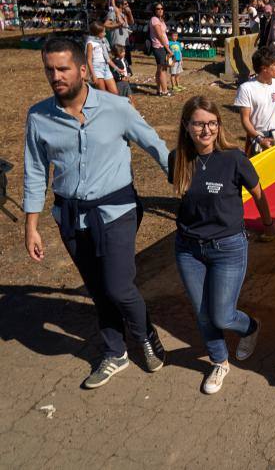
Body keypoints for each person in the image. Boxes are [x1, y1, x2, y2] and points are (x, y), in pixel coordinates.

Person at [24, 37, 168, 389]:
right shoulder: (39, 117)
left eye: (63, 68)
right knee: (97, 289)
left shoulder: (116, 107)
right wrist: (32, 226)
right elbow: (35, 171)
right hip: (71, 218)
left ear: (83, 69)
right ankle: (115, 352)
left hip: (117, 211)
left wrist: (187, 182)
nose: (56, 76)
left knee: (118, 286)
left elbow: (154, 144)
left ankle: (144, 333)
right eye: (49, 69)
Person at [170, 96, 275, 394]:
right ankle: (219, 361)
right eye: (199, 123)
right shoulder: (176, 159)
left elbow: (258, 193)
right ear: (186, 125)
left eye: (212, 123)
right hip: (188, 249)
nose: (206, 130)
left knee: (222, 314)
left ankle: (251, 327)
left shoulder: (233, 159)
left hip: (228, 248)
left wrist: (268, 224)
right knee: (203, 312)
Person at [235, 47, 275, 156]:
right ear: (264, 68)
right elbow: (245, 120)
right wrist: (259, 139)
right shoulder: (246, 89)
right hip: (259, 141)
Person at [86, 21, 121, 95]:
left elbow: (107, 59)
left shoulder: (103, 41)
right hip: (97, 68)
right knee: (102, 93)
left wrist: (116, 68)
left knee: (115, 92)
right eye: (103, 32)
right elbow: (89, 60)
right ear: (97, 33)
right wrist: (93, 75)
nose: (105, 33)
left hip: (106, 67)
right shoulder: (90, 43)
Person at [149, 3, 173, 97]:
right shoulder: (154, 20)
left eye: (161, 8)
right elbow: (159, 36)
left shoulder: (160, 20)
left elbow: (163, 34)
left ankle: (159, 90)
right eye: (158, 8)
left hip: (162, 46)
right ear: (154, 10)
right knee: (163, 70)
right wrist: (167, 49)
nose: (160, 10)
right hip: (159, 47)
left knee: (160, 69)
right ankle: (165, 91)